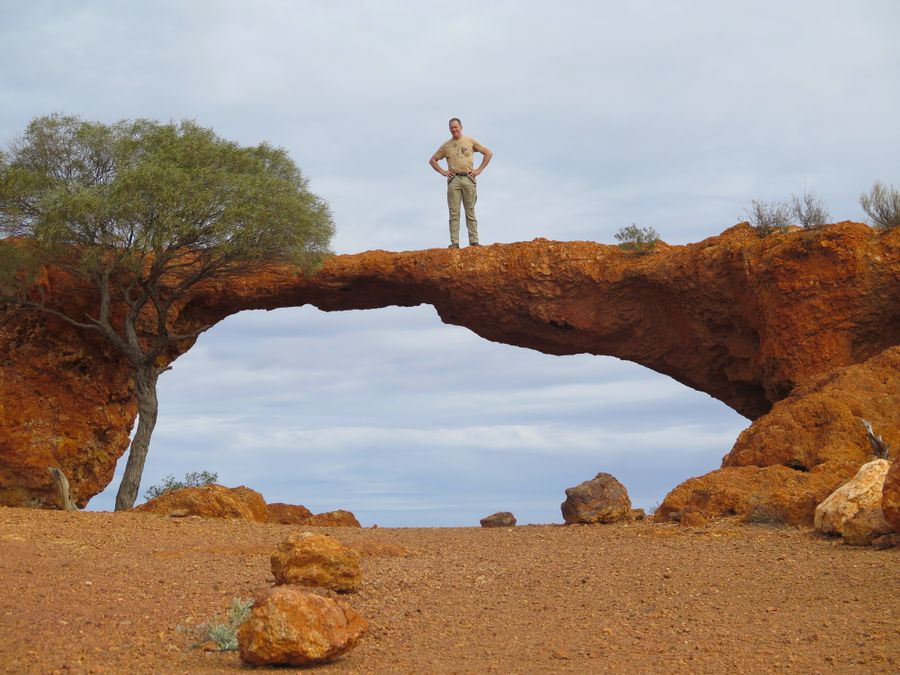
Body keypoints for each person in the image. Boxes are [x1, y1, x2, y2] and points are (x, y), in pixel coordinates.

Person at [429, 118, 493, 248]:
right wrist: (443, 172)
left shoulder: (469, 141)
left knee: (470, 211)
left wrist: (479, 170)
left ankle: (474, 242)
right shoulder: (446, 146)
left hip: (468, 179)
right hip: (454, 180)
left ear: (461, 127)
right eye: (451, 128)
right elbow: (433, 160)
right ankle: (455, 243)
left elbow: (488, 153)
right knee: (454, 213)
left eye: (456, 127)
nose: (454, 130)